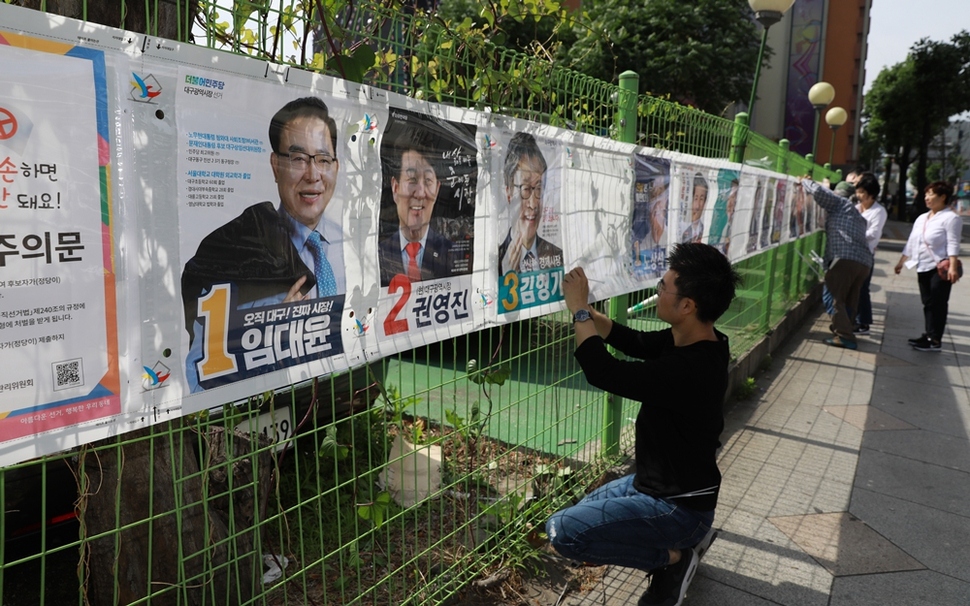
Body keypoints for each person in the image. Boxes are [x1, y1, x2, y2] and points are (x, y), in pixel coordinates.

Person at [547, 243, 741, 606]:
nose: (657, 292)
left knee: (565, 532)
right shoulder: (699, 340)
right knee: (580, 512)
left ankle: (673, 559)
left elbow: (603, 371)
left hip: (679, 508)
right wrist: (587, 310)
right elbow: (631, 340)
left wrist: (577, 312)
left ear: (687, 306)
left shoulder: (688, 370)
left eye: (662, 287)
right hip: (656, 487)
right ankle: (678, 545)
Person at [181, 96, 345, 389]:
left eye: (323, 160)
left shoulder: (351, 244)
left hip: (340, 398)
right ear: (275, 165)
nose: (313, 175)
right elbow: (198, 379)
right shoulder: (240, 251)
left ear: (336, 166)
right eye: (298, 159)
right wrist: (267, 335)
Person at [378, 130, 456, 286]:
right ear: (395, 188)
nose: (420, 193)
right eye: (412, 179)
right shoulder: (377, 255)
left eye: (428, 181)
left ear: (437, 189)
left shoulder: (452, 253)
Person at [802, 177, 872, 349]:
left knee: (832, 297)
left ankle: (844, 336)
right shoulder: (858, 215)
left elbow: (818, 192)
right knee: (849, 299)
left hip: (845, 259)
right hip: (863, 262)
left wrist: (805, 181)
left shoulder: (839, 203)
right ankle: (845, 328)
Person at [894, 181, 963, 352]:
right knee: (927, 303)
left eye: (931, 194)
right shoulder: (922, 218)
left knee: (938, 303)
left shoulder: (951, 218)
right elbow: (912, 242)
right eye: (926, 194)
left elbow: (953, 244)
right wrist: (901, 261)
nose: (927, 197)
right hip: (922, 265)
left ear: (943, 197)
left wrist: (953, 268)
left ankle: (935, 340)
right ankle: (929, 334)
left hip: (940, 268)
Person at [498, 132, 563, 274]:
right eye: (526, 189)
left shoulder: (557, 257)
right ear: (508, 193)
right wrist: (505, 276)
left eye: (539, 189)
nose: (533, 204)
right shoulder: (494, 261)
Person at [852, 173, 888, 335]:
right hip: (851, 252)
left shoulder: (879, 211)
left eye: (862, 193)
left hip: (865, 254)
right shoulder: (856, 208)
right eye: (858, 192)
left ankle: (864, 322)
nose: (859, 196)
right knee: (853, 288)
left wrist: (852, 233)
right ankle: (854, 318)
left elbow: (873, 233)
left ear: (871, 194)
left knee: (862, 287)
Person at [680, 173, 708, 243]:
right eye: (696, 198)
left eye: (701, 199)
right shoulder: (685, 233)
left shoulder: (706, 231)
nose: (697, 206)